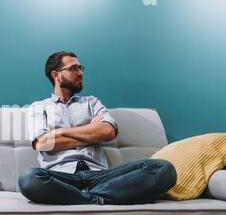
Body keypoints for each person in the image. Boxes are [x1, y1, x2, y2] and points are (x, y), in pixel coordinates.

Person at [18, 51, 176, 205]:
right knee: (29, 178)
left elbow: (108, 131)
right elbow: (43, 143)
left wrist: (59, 133)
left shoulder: (91, 102)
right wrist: (90, 131)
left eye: (81, 68)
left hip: (101, 175)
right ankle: (100, 198)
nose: (80, 73)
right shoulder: (39, 107)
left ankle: (83, 198)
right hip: (61, 177)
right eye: (73, 68)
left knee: (163, 168)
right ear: (56, 75)